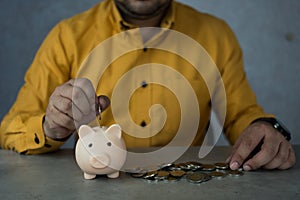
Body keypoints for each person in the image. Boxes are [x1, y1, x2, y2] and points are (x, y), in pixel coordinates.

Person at [0, 0, 295, 171]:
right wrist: (49, 128)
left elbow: (242, 115)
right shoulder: (66, 37)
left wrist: (262, 129)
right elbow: (11, 128)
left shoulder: (216, 34)